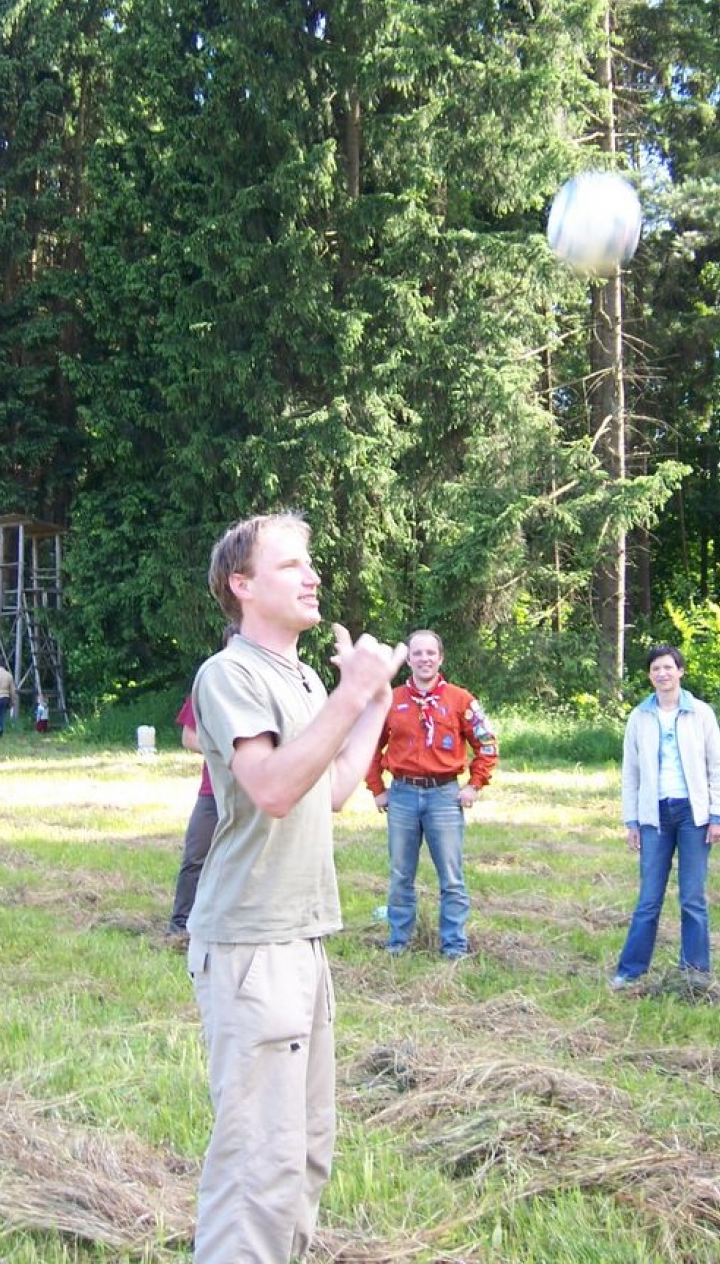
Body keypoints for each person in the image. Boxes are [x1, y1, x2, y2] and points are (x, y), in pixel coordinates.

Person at [186, 512, 406, 1264]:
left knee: (305, 1153)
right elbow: (273, 788)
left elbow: (332, 788)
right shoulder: (228, 675)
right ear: (240, 586)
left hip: (301, 937)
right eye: (291, 565)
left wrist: (370, 705)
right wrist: (352, 696)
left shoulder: (304, 677)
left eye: (310, 562)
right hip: (251, 943)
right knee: (258, 1166)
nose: (313, 576)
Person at [365, 629, 498, 959]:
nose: (424, 659)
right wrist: (378, 788)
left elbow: (487, 744)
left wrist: (474, 785)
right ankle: (399, 942)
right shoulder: (390, 700)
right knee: (400, 875)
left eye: (430, 653)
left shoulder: (461, 700)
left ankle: (454, 945)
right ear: (408, 659)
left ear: (441, 658)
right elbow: (368, 744)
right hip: (403, 795)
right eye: (418, 653)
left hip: (444, 796)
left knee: (452, 877)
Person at [611, 643, 720, 991]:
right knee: (649, 897)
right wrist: (631, 821)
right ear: (649, 676)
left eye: (668, 667)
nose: (662, 674)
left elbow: (717, 767)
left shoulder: (701, 714)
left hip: (694, 815)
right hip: (654, 817)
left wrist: (718, 815)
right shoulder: (639, 717)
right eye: (655, 669)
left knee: (692, 896)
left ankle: (695, 972)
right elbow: (630, 774)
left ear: (680, 671)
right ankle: (631, 970)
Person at [166, 627, 238, 948]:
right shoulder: (209, 684)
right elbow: (188, 737)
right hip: (214, 791)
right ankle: (180, 925)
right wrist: (227, 751)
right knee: (197, 855)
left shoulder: (269, 687)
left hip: (259, 793)